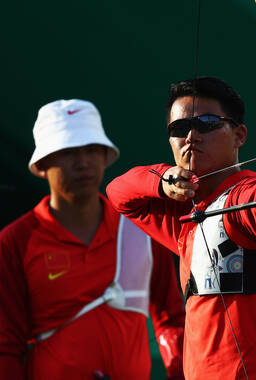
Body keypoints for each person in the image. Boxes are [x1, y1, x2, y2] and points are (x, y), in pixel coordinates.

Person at [106, 76, 256, 379]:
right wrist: (164, 179)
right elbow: (118, 192)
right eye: (179, 128)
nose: (191, 136)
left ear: (239, 135)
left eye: (207, 123)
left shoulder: (242, 200)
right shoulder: (182, 216)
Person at [0, 99, 186, 380]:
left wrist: (178, 372)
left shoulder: (142, 227)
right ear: (41, 164)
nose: (83, 162)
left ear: (105, 156)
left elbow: (171, 320)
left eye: (91, 150)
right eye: (68, 152)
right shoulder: (14, 241)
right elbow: (5, 346)